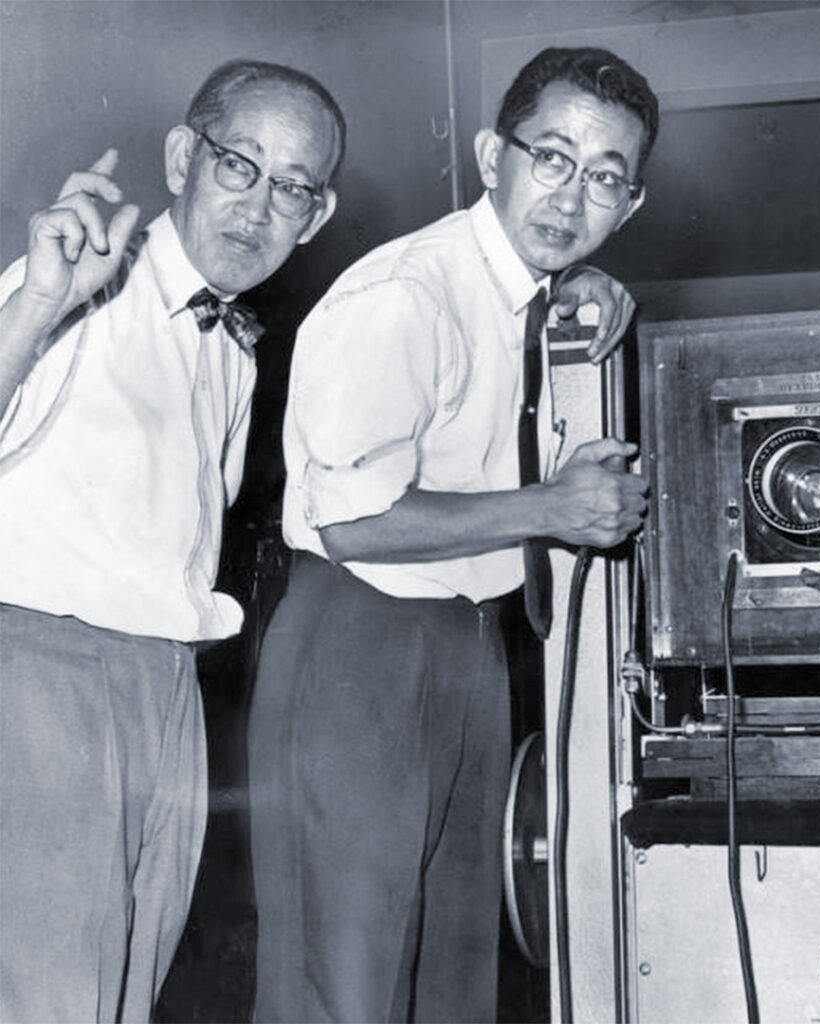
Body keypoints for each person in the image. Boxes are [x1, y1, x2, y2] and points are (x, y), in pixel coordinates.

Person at [248, 45, 660, 1023]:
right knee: (343, 989)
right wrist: (548, 508)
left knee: (452, 982)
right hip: (361, 637)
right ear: (490, 157)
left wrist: (581, 287)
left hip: (468, 646)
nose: (570, 194)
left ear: (629, 205)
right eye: (550, 157)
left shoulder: (528, 292)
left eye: (605, 176)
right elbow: (351, 521)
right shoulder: (405, 294)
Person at [0, 59, 343, 1022]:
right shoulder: (73, 278)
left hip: (165, 691)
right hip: (45, 679)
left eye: (293, 188)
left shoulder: (228, 345)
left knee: (123, 993)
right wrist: (40, 304)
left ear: (316, 216)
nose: (259, 207)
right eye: (241, 166)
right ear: (183, 157)